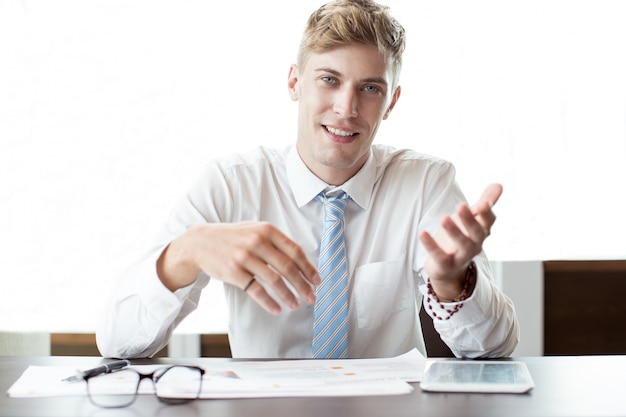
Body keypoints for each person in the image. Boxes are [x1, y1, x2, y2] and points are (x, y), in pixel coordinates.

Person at [96, 0, 519, 359]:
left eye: (370, 88)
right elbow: (117, 342)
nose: (346, 107)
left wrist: (450, 282)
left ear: (391, 101)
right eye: (329, 80)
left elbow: (494, 347)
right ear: (295, 82)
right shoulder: (230, 185)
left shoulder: (427, 183)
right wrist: (185, 253)